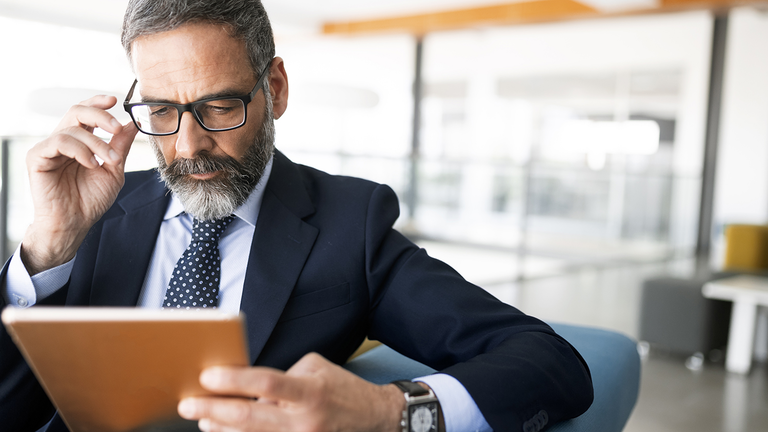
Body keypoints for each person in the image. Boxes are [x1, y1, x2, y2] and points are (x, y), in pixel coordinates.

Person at [0, 1, 593, 431]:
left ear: (275, 88)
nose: (187, 145)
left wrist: (389, 412)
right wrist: (48, 247)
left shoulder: (349, 225)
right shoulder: (92, 210)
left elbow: (548, 361)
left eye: (219, 106)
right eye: (160, 110)